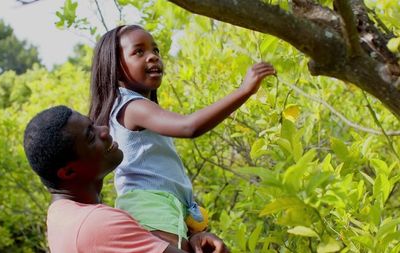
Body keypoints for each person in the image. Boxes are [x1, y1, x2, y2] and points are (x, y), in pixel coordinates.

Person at [88, 24, 276, 249]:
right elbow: (189, 127)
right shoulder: (132, 106)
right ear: (116, 68)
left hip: (161, 206)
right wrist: (244, 90)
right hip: (151, 207)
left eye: (155, 51)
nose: (152, 57)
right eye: (139, 52)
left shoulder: (130, 105)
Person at [23, 105, 229, 253]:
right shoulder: (95, 224)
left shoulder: (60, 215)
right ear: (68, 172)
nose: (104, 131)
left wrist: (193, 239)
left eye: (93, 125)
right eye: (90, 136)